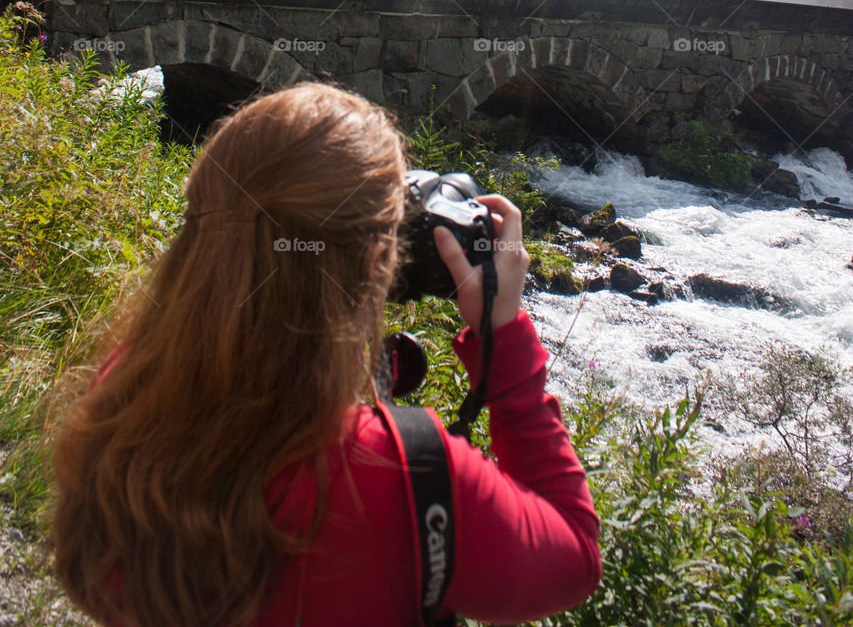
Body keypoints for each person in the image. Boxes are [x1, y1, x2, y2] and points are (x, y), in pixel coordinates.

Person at [48, 82, 602, 626]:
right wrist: (501, 334)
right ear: (381, 261)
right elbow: (574, 556)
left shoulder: (122, 397)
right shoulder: (411, 477)